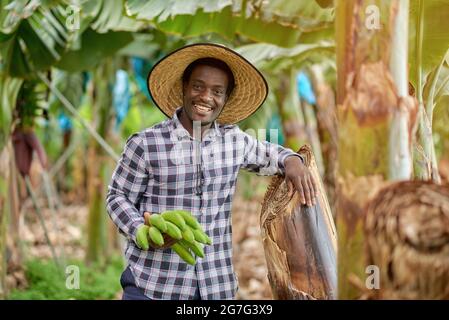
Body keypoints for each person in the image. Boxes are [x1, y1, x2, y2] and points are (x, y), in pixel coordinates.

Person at [106, 43, 317, 300]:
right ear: (184, 87)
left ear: (225, 98)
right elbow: (117, 196)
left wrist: (293, 161)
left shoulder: (234, 141)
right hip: (154, 286)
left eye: (217, 91)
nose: (206, 97)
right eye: (198, 86)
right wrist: (141, 230)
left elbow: (271, 154)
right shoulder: (146, 143)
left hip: (216, 286)